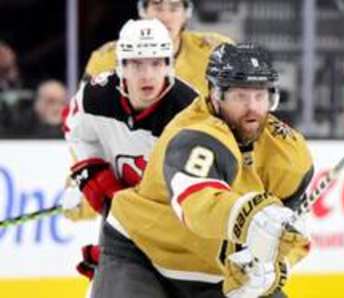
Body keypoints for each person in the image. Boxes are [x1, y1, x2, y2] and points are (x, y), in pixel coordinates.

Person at [92, 43, 314, 298]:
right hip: (142, 255)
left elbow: (294, 232)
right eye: (240, 96)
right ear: (215, 95)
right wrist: (252, 218)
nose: (252, 108)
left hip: (215, 274)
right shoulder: (195, 133)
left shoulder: (286, 152)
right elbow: (198, 204)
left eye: (260, 96)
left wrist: (274, 268)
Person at [62, 18, 198, 279]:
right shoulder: (95, 97)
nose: (147, 74)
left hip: (175, 228)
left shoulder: (190, 113)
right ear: (121, 66)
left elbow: (193, 197)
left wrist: (129, 245)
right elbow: (78, 134)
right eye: (136, 63)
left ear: (169, 65)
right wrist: (94, 178)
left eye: (156, 63)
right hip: (120, 217)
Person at [84, 0, 233, 97]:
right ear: (143, 11)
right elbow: (84, 114)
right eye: (157, 6)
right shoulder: (108, 57)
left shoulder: (215, 52)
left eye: (174, 8)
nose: (165, 17)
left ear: (186, 13)